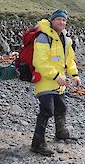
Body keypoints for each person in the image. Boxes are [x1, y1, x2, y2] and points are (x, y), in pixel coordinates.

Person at [30, 9, 81, 156]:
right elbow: (39, 62)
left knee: (62, 107)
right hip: (45, 81)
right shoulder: (43, 37)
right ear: (52, 20)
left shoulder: (66, 39)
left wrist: (75, 75)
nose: (62, 22)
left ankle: (61, 133)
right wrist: (56, 76)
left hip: (59, 82)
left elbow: (69, 60)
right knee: (46, 110)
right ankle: (37, 143)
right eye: (59, 19)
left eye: (64, 20)